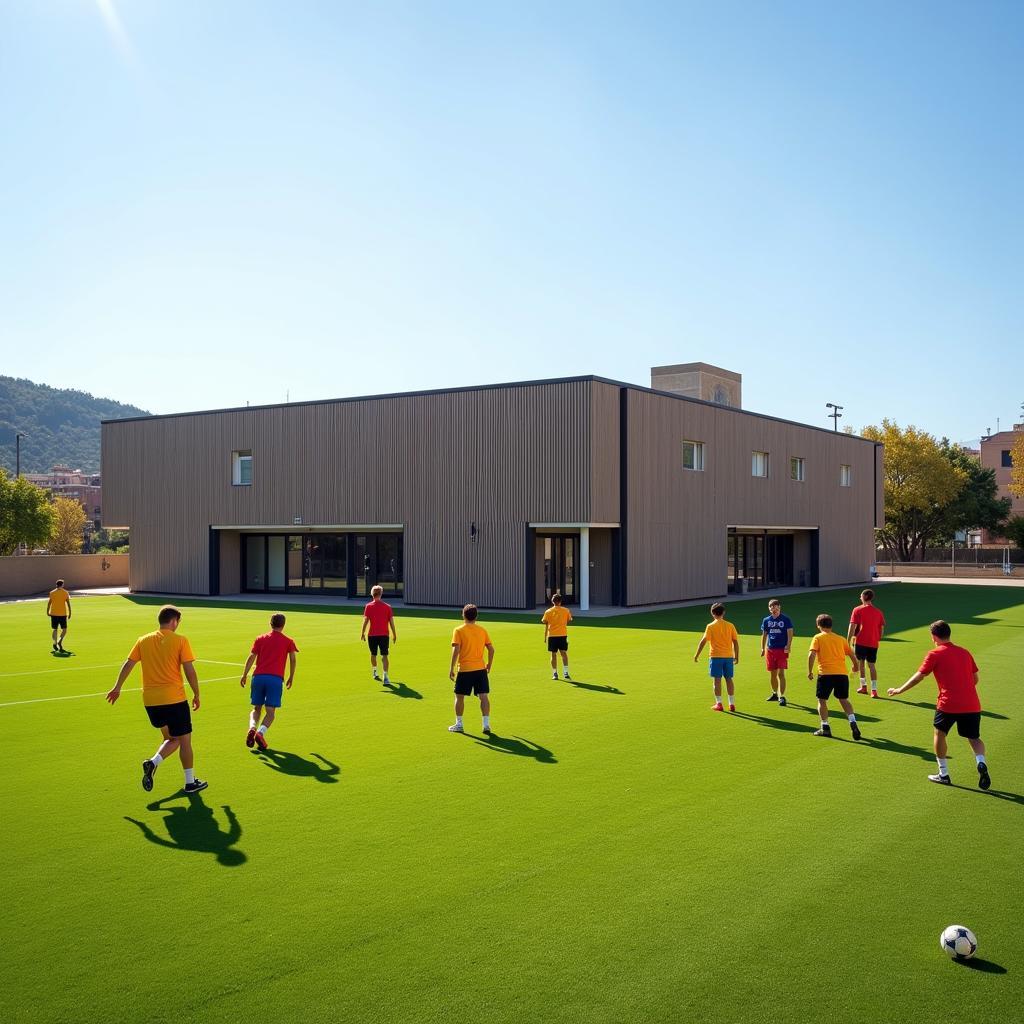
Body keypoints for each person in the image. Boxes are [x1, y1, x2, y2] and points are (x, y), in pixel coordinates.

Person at [106, 604, 207, 794]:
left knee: (171, 739)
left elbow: (129, 664)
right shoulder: (180, 640)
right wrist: (197, 693)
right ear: (174, 621)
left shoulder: (143, 640)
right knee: (184, 741)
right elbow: (189, 670)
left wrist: (117, 687)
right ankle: (188, 781)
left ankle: (154, 764)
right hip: (174, 699)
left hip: (151, 701)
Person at [887, 620, 991, 789]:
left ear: (933, 636)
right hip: (972, 704)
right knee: (974, 737)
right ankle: (981, 762)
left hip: (947, 703)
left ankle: (943, 774)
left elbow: (918, 677)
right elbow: (975, 679)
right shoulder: (965, 652)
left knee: (939, 734)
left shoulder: (934, 654)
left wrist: (899, 690)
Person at [239, 613, 298, 750]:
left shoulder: (260, 639)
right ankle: (260, 733)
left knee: (256, 709)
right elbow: (293, 660)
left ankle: (252, 727)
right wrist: (291, 677)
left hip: (258, 677)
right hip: (275, 679)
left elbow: (251, 657)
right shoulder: (288, 641)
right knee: (270, 712)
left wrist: (244, 674)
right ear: (283, 625)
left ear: (270, 624)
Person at [807, 613, 861, 739]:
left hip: (825, 674)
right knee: (843, 699)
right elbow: (852, 655)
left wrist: (809, 671)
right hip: (841, 674)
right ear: (831, 625)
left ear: (818, 625)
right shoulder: (841, 639)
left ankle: (825, 727)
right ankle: (853, 722)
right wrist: (856, 667)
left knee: (822, 700)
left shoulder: (818, 638)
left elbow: (811, 655)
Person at [448, 604, 494, 734]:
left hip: (465, 669)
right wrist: (489, 665)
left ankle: (459, 724)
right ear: (476, 616)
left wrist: (451, 668)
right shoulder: (482, 630)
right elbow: (491, 649)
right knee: (483, 696)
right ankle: (486, 725)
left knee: (459, 696)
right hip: (480, 669)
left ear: (463, 615)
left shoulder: (458, 630)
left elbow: (456, 650)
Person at [693, 602, 740, 712]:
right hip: (728, 656)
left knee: (717, 680)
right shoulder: (730, 625)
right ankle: (732, 703)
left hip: (715, 657)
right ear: (723, 612)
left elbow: (703, 641)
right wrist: (736, 656)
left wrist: (697, 654)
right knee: (729, 679)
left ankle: (719, 703)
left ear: (712, 613)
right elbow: (735, 642)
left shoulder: (710, 626)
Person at [847, 588, 886, 697]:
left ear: (864, 597)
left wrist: (848, 640)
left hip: (860, 642)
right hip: (873, 643)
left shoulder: (857, 610)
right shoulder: (878, 612)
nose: (859, 597)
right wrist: (877, 638)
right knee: (872, 666)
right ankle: (874, 690)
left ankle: (863, 687)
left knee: (861, 664)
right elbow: (881, 628)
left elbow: (852, 626)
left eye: (860, 596)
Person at [360, 585, 397, 684]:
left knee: (373, 654)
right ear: (381, 594)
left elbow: (366, 621)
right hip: (384, 635)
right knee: (384, 655)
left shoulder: (369, 606)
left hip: (372, 635)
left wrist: (362, 633)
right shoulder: (387, 607)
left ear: (372, 594)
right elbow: (391, 622)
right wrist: (394, 634)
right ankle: (385, 676)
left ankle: (375, 671)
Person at [760, 598, 794, 705]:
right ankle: (774, 693)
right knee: (772, 674)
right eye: (772, 607)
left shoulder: (786, 619)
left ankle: (782, 696)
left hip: (781, 650)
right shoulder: (766, 620)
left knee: (781, 674)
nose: (774, 609)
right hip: (770, 650)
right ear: (769, 609)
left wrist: (788, 646)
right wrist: (762, 648)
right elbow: (764, 634)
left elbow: (790, 633)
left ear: (779, 607)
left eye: (776, 607)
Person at [542, 592, 573, 679]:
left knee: (553, 654)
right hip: (562, 635)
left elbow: (544, 621)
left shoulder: (548, 611)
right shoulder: (566, 610)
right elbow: (569, 619)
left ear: (553, 601)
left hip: (552, 635)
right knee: (563, 653)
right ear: (560, 601)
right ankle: (566, 672)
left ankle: (555, 673)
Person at [46, 578, 71, 652]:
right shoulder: (65, 592)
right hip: (63, 614)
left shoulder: (52, 592)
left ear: (56, 585)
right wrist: (70, 612)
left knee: (54, 629)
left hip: (53, 613)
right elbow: (68, 603)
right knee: (64, 629)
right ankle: (60, 640)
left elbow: (49, 603)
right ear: (62, 585)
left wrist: (47, 611)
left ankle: (55, 642)